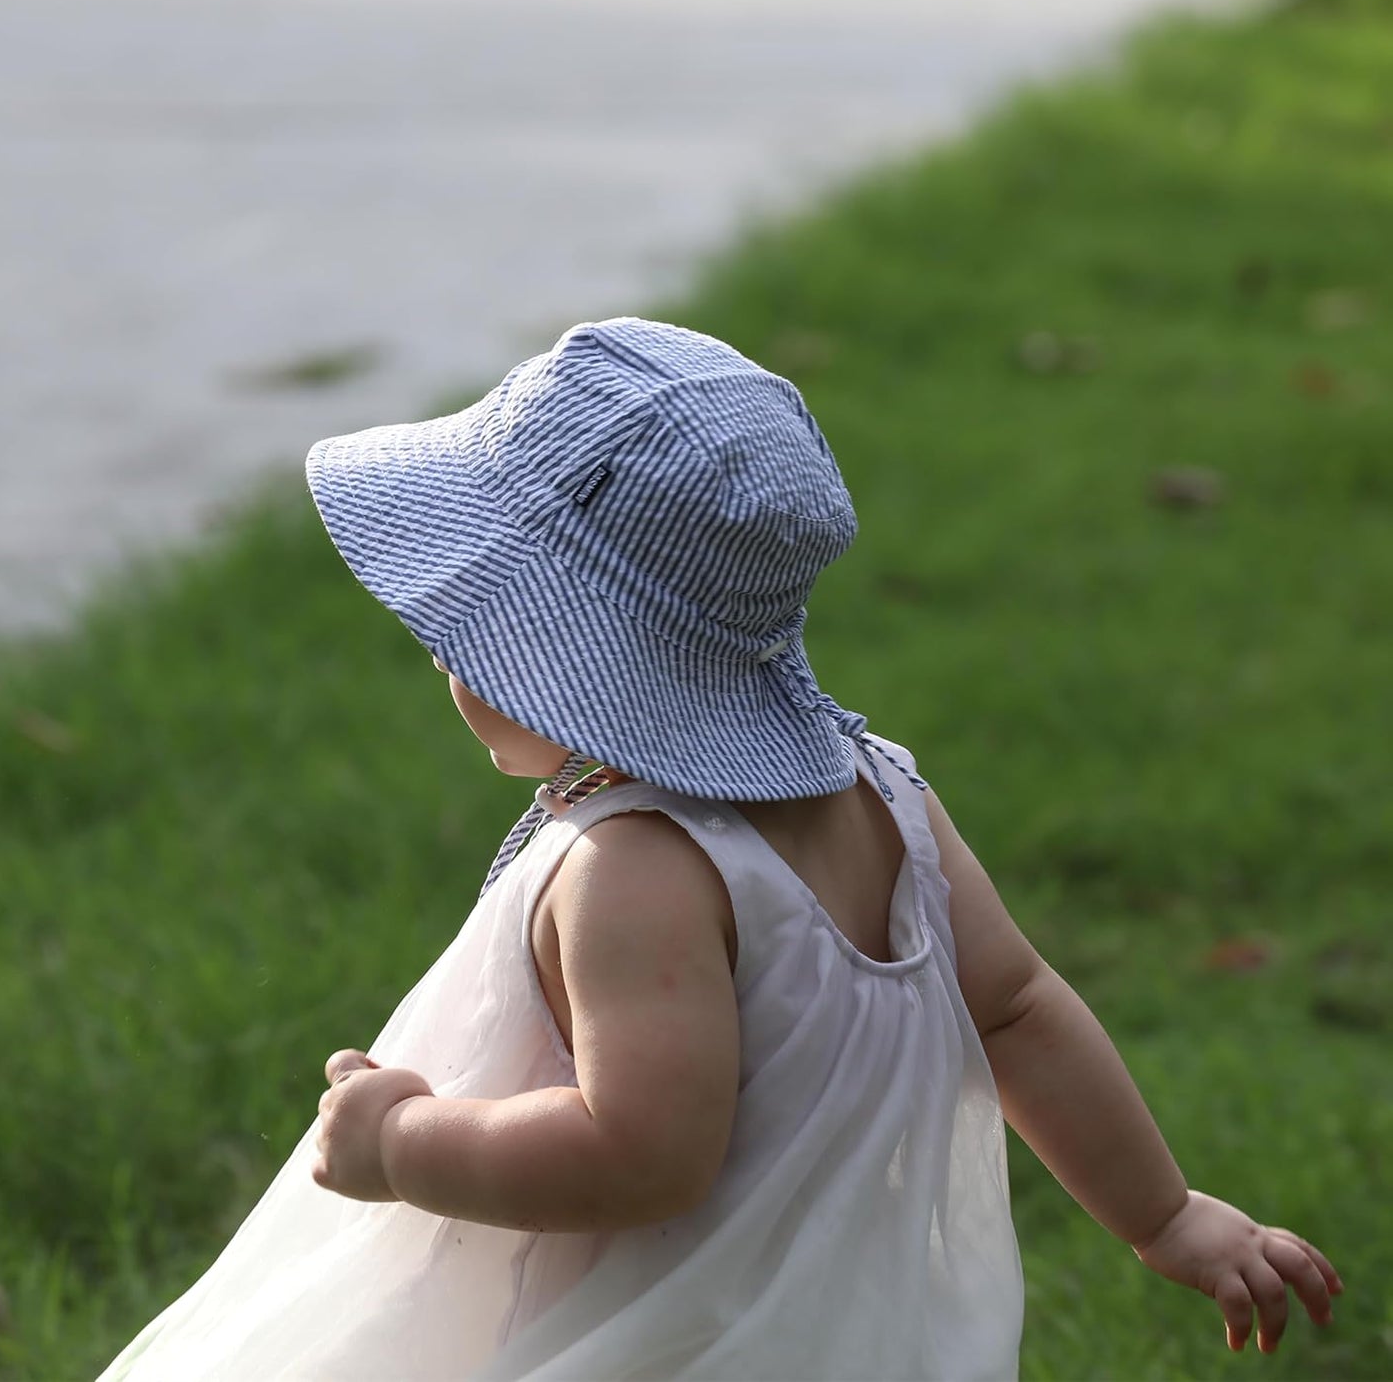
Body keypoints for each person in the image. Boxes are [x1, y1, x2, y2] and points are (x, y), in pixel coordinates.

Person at [99, 318, 1339, 1381]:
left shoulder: (639, 866)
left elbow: (643, 1150)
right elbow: (1015, 1008)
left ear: (565, 654)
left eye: (467, 621)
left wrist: (400, 1144)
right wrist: (1161, 1212)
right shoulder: (885, 791)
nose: (441, 649)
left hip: (668, 1341)